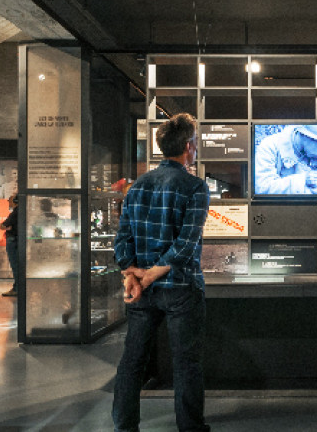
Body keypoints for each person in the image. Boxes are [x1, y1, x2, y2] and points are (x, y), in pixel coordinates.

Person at [112, 113, 211, 432]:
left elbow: (122, 238)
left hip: (142, 292)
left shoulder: (136, 187)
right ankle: (190, 428)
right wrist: (152, 274)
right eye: (194, 143)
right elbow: (186, 243)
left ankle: (124, 427)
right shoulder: (195, 187)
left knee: (132, 362)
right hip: (181, 287)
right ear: (187, 147)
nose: (194, 148)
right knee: (186, 363)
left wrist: (131, 274)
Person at [1, 190, 22, 297]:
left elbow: (2, 226)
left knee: (15, 265)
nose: (8, 202)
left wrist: (8, 226)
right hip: (19, 240)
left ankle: (17, 288)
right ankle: (18, 287)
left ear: (15, 201)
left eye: (10, 200)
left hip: (13, 241)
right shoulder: (23, 212)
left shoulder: (15, 213)